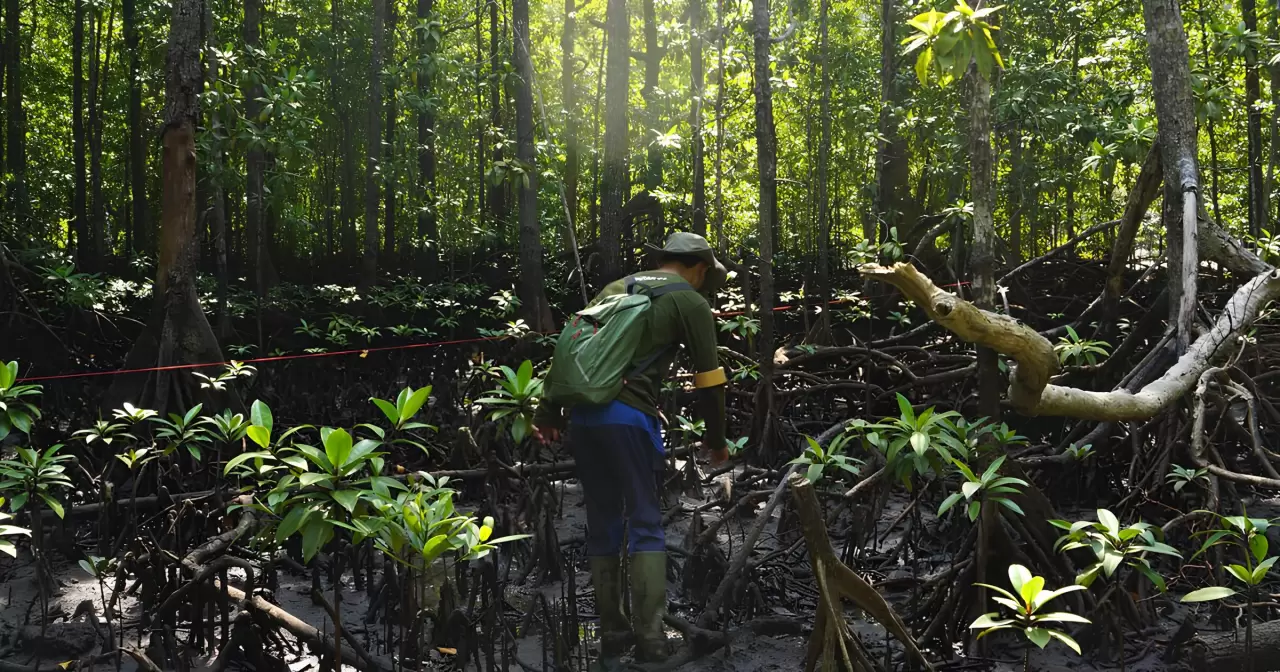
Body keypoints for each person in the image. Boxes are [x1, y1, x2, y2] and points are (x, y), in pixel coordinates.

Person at [533, 232, 729, 669]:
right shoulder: (690, 303)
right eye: (706, 275)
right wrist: (715, 440)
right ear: (698, 267)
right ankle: (651, 641)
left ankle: (613, 636)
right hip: (629, 420)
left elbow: (569, 350)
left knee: (602, 521)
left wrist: (548, 413)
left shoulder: (615, 288)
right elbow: (709, 380)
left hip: (584, 419)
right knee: (644, 521)